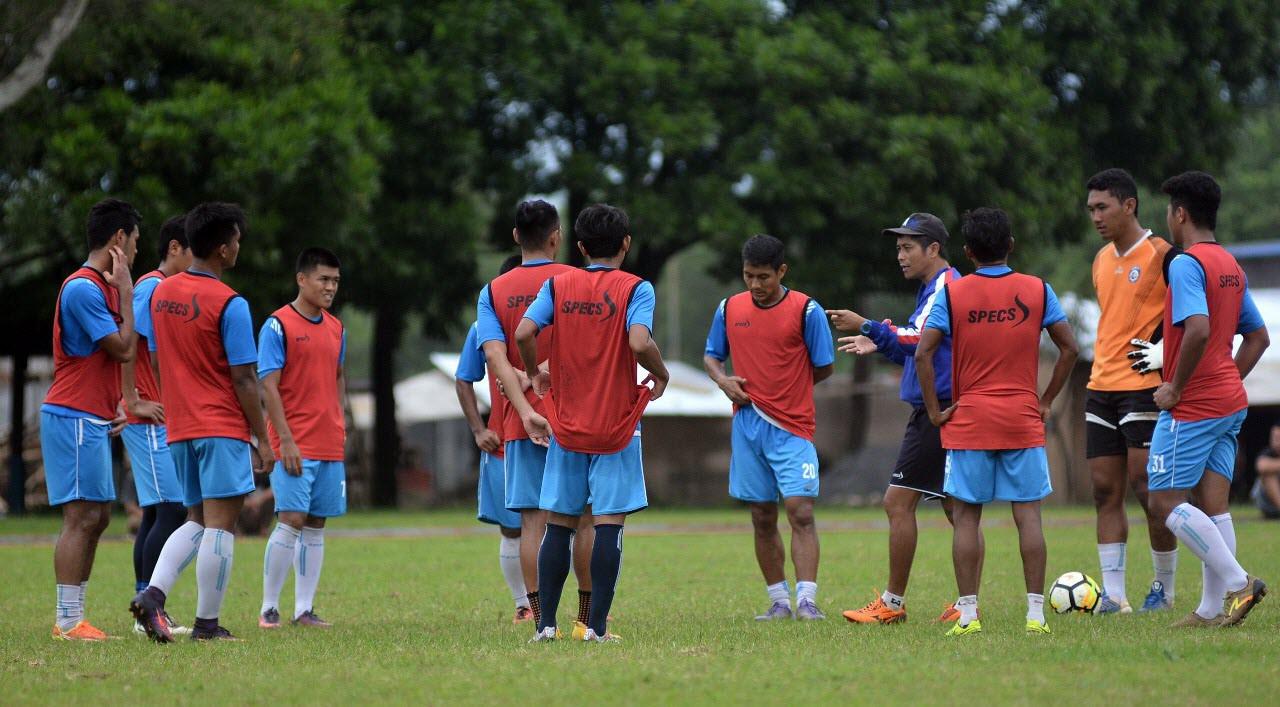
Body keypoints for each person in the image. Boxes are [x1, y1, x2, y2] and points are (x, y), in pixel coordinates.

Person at [915, 207, 1079, 636]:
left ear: (967, 252)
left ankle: (968, 616)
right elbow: (1070, 349)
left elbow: (922, 353)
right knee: (1028, 517)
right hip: (1021, 420)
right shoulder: (1038, 290)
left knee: (967, 518)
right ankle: (1036, 616)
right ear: (1010, 245)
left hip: (969, 422)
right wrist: (1044, 401)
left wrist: (934, 411)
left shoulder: (953, 294)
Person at [516, 203, 669, 642]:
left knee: (559, 522)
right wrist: (661, 372)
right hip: (616, 426)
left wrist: (533, 373)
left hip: (567, 423)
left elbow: (525, 333)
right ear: (626, 243)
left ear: (580, 246)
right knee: (607, 522)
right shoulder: (637, 288)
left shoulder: (558, 284)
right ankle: (596, 629)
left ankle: (545, 626)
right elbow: (639, 342)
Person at [827, 213, 983, 625]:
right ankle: (966, 605)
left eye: (907, 247)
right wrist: (878, 343)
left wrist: (870, 326)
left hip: (939, 408)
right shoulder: (932, 288)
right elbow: (915, 349)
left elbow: (917, 340)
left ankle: (892, 604)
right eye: (898, 247)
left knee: (898, 502)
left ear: (933, 249)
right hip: (938, 407)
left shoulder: (946, 286)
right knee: (956, 508)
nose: (900, 255)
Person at [131, 202, 275, 642]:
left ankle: (153, 595)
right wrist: (262, 438)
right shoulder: (229, 303)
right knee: (220, 524)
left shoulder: (161, 294)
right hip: (221, 425)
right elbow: (245, 378)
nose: (237, 247)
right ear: (222, 247)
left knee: (194, 518)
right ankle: (207, 626)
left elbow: (155, 358)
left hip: (180, 427)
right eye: (235, 239)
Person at [1144, 171, 1269, 628]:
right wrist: (1225, 380)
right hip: (1228, 401)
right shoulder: (1231, 266)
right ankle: (1211, 610)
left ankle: (1239, 584)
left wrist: (1176, 387)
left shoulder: (1184, 263)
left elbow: (1196, 328)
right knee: (1213, 504)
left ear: (1179, 214)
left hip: (1194, 405)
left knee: (1163, 502)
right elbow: (1258, 337)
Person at [704, 234, 835, 621]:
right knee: (762, 515)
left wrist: (790, 388)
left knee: (801, 511)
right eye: (749, 276)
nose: (756, 285)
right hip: (747, 427)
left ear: (782, 271)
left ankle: (807, 601)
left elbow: (824, 366)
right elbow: (712, 357)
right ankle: (779, 601)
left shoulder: (806, 310)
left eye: (764, 277)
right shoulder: (729, 308)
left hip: (792, 428)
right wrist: (723, 381)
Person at [479, 200, 595, 630]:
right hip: (575, 417)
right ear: (556, 236)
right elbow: (588, 347)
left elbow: (494, 355)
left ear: (514, 237)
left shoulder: (492, 290)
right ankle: (586, 621)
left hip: (518, 421)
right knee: (583, 516)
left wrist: (525, 402)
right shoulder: (577, 281)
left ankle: (542, 622)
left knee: (531, 521)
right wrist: (542, 372)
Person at [1082, 168, 1180, 614]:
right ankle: (1114, 596)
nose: (1096, 217)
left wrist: (1165, 358)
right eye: (1090, 210)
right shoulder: (1101, 259)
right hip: (1100, 386)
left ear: (1129, 205)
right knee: (1105, 490)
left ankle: (1164, 589)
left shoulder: (1164, 255)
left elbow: (1189, 318)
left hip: (1143, 389)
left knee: (1146, 487)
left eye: (1102, 207)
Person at [43, 198, 140, 640]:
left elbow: (109, 357)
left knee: (99, 516)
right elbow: (122, 349)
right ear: (119, 239)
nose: (137, 250)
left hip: (93, 417)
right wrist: (127, 290)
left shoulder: (97, 288)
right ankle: (66, 621)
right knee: (81, 517)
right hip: (72, 416)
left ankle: (75, 615)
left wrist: (116, 403)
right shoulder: (83, 288)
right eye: (135, 240)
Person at [257, 248, 349, 629]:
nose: (330, 287)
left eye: (335, 281)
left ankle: (303, 610)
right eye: (323, 279)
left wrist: (340, 420)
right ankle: (269, 608)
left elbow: (338, 375)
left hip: (328, 440)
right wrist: (286, 439)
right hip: (294, 442)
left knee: (316, 522)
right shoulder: (277, 325)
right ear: (302, 279)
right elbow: (268, 385)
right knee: (291, 518)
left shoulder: (336, 327)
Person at [121, 214, 193, 636]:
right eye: (192, 252)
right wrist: (135, 399)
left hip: (154, 414)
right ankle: (150, 607)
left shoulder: (157, 287)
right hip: (150, 417)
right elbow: (133, 347)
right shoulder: (153, 287)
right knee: (172, 509)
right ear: (174, 249)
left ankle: (142, 604)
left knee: (155, 511)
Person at [455, 254, 534, 623]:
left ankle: (578, 602)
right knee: (512, 527)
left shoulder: (556, 314)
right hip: (504, 440)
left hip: (554, 436)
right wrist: (478, 429)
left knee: (566, 520)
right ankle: (523, 604)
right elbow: (463, 377)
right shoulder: (483, 327)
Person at [1252, 423, 1280, 519]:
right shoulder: (1268, 453)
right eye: (1274, 438)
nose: (1276, 442)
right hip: (1269, 505)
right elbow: (1261, 466)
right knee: (1268, 474)